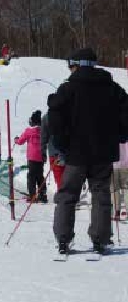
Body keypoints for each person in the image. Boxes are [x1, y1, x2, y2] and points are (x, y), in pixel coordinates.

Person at [48, 48, 128, 255]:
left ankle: (63, 239)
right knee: (101, 194)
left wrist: (61, 143)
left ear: (77, 65)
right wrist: (120, 135)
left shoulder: (69, 88)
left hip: (75, 153)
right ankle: (101, 239)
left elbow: (55, 116)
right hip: (103, 153)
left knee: (67, 194)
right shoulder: (112, 88)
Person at [15, 110, 47, 203]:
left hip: (32, 158)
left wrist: (16, 140)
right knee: (40, 176)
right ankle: (43, 194)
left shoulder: (29, 131)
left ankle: (33, 195)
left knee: (31, 177)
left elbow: (20, 141)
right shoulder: (42, 131)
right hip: (41, 157)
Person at [40, 111, 65, 190]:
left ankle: (64, 196)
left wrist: (43, 153)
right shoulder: (70, 111)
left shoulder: (46, 117)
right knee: (70, 176)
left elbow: (43, 138)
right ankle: (69, 195)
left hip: (54, 153)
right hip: (69, 152)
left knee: (59, 177)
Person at [112, 141, 128, 222]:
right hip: (122, 164)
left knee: (116, 190)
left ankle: (117, 212)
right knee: (124, 189)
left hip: (116, 164)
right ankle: (117, 211)